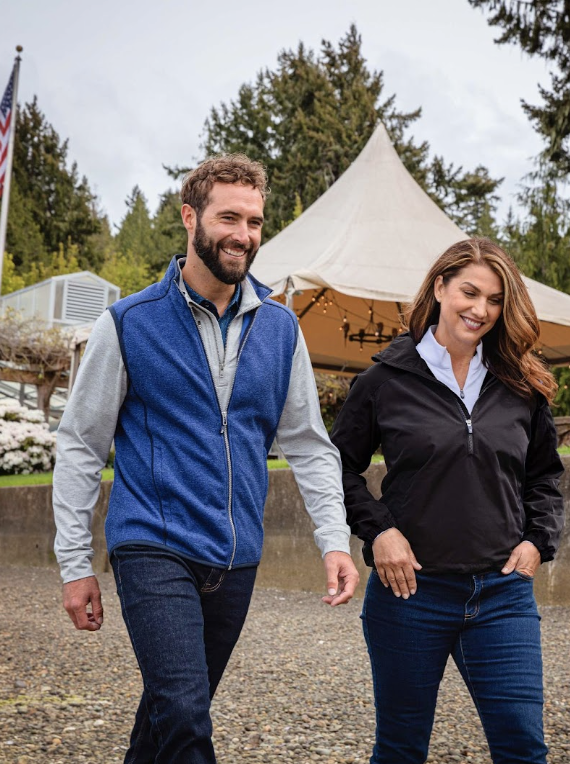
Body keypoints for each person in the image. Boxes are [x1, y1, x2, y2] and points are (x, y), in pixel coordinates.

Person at [53, 154, 359, 764]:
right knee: (188, 718)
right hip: (153, 545)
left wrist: (335, 541)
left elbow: (307, 442)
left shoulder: (280, 328)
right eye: (228, 217)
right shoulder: (129, 323)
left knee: (168, 717)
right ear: (190, 217)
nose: (243, 235)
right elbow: (82, 443)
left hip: (236, 559)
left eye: (254, 221)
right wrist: (73, 563)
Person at [330, 237, 564, 764]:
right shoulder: (384, 381)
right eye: (469, 292)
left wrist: (537, 541)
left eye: (496, 299)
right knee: (400, 750)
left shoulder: (521, 386)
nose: (481, 310)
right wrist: (380, 531)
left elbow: (545, 477)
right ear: (439, 287)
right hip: (410, 594)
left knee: (524, 747)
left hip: (503, 596)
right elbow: (335, 467)